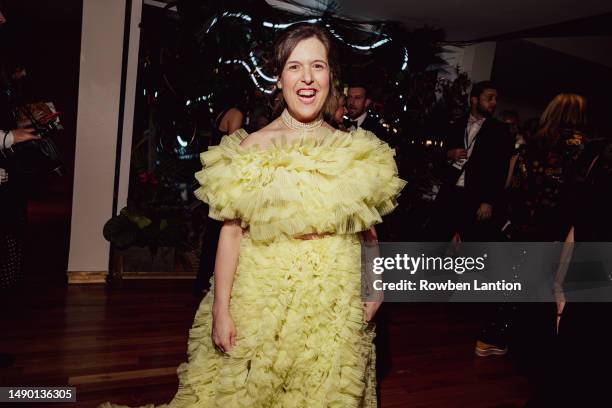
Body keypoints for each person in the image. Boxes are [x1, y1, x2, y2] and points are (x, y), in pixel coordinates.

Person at [100, 23, 405, 407]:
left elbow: (369, 236)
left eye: (318, 66)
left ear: (331, 77)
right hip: (262, 298)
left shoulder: (355, 150)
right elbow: (230, 234)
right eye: (294, 67)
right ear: (278, 79)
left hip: (335, 302)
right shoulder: (252, 147)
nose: (307, 78)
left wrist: (375, 293)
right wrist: (222, 311)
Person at [431, 81, 513, 243]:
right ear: (474, 100)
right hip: (450, 192)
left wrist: (488, 201)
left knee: (469, 248)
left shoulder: (500, 131)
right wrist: (449, 154)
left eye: (496, 99)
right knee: (438, 241)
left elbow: (500, 170)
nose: (494, 103)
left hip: (476, 197)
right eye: (489, 98)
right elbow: (437, 157)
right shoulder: (456, 124)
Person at [194, 91, 247, 296]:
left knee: (214, 231)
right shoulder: (237, 113)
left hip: (217, 175)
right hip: (227, 176)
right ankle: (209, 282)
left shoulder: (222, 112)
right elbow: (234, 146)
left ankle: (204, 281)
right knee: (221, 232)